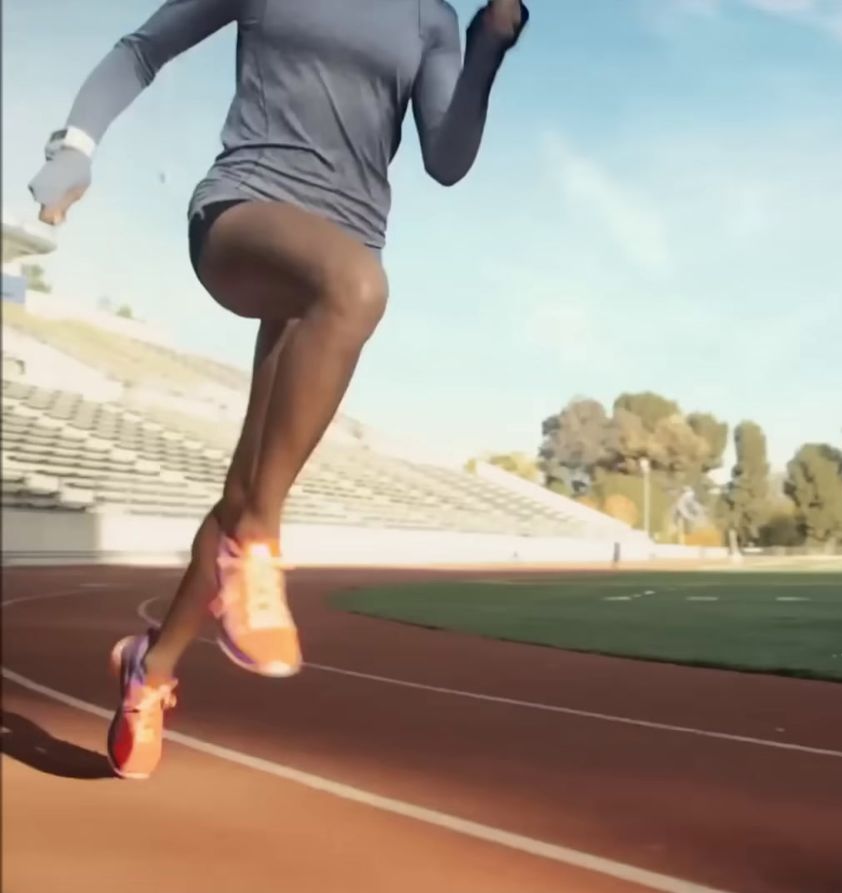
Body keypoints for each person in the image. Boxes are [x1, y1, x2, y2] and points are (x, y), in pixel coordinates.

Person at [28, 0, 529, 780]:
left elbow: (447, 158)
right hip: (243, 215)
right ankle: (258, 548)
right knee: (360, 289)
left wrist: (489, 38)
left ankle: (149, 671)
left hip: (331, 265)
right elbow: (140, 49)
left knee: (245, 486)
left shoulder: (430, 16)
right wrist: (76, 146)